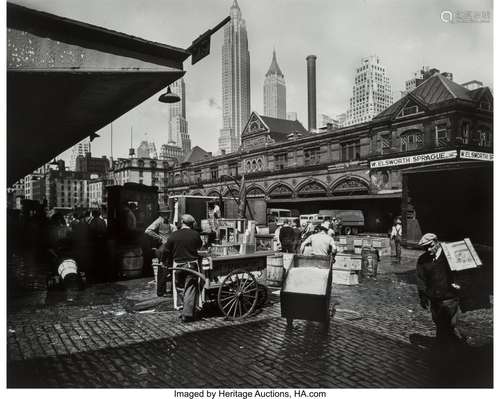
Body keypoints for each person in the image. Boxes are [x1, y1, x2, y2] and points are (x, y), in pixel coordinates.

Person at [416, 233, 465, 348]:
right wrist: (423, 296)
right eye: (425, 247)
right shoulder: (423, 260)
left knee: (448, 322)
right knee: (438, 322)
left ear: (436, 242)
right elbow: (420, 279)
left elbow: (463, 270)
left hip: (449, 296)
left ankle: (448, 349)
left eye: (430, 246)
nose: (428, 249)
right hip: (434, 297)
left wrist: (459, 283)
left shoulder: (449, 255)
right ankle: (449, 346)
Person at [162, 214, 202, 323]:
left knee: (180, 288)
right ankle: (187, 314)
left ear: (182, 222)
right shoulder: (195, 234)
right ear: (191, 224)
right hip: (191, 266)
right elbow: (199, 246)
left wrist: (164, 262)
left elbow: (166, 251)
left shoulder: (174, 235)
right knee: (190, 288)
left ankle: (185, 309)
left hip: (178, 266)